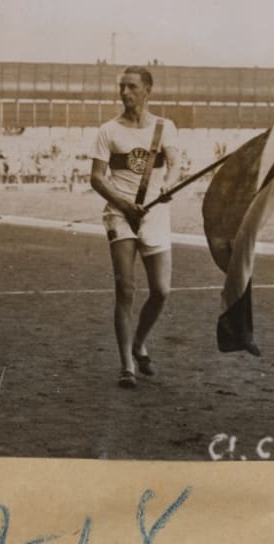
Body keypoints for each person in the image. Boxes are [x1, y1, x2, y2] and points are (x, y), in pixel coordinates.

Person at [90, 66, 180, 388]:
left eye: (131, 87)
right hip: (120, 213)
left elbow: (174, 165)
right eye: (122, 87)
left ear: (147, 90)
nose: (125, 93)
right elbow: (97, 178)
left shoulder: (164, 127)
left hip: (154, 214)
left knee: (161, 290)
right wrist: (126, 205)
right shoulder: (108, 131)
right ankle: (127, 366)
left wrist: (168, 185)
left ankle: (139, 342)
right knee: (125, 290)